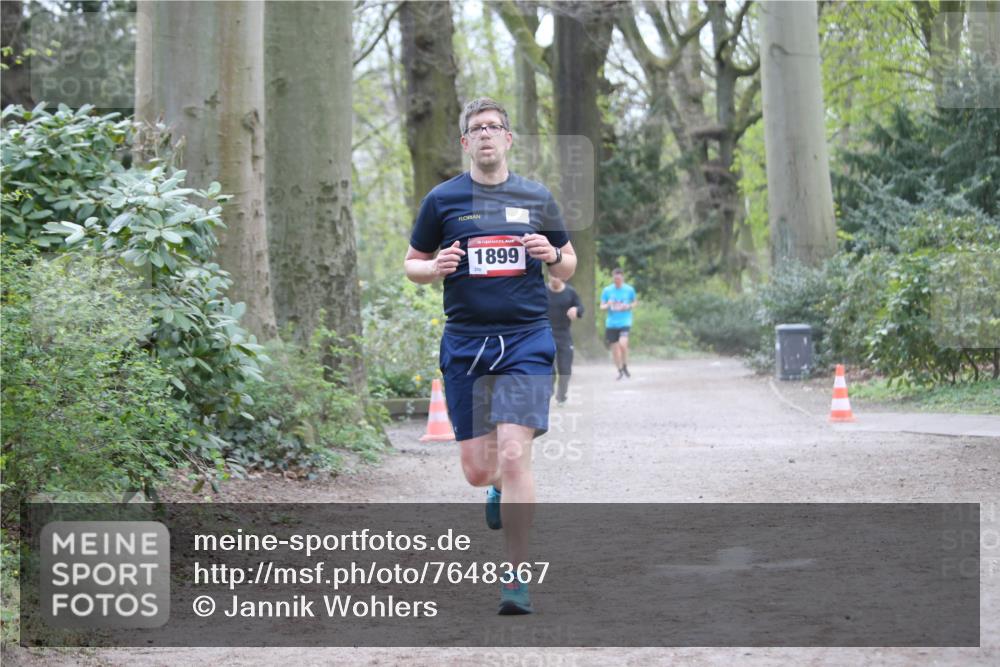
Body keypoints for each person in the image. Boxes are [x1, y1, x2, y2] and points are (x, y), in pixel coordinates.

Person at [404, 97, 576, 615]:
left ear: (507, 138)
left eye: (494, 126)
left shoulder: (536, 196)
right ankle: (495, 490)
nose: (485, 134)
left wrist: (553, 257)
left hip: (526, 338)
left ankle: (516, 576)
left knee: (513, 452)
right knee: (480, 470)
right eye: (476, 128)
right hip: (466, 342)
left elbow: (567, 264)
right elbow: (411, 264)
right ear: (465, 143)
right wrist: (434, 268)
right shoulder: (442, 200)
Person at [546, 277, 584, 404]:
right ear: (549, 276)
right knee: (549, 368)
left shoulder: (570, 292)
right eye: (552, 276)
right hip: (546, 334)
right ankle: (548, 392)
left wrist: (576, 310)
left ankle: (561, 396)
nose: (554, 279)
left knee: (565, 369)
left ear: (562, 277)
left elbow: (581, 307)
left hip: (564, 334)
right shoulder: (542, 291)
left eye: (557, 276)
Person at [600, 268, 637, 380]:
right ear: (613, 278)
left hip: (625, 322)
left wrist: (628, 306)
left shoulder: (629, 289)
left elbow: (635, 302)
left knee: (623, 344)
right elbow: (602, 307)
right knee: (615, 350)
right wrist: (608, 305)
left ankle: (625, 365)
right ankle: (620, 370)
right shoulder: (607, 290)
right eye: (615, 279)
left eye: (619, 279)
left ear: (623, 278)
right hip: (611, 324)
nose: (617, 281)